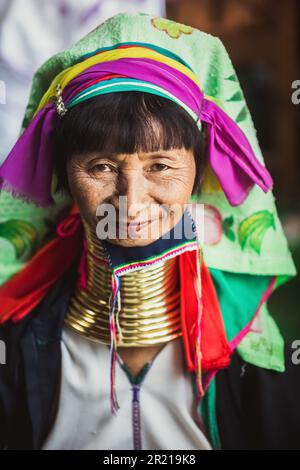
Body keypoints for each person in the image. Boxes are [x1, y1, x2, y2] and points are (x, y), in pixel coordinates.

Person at [0, 12, 298, 450]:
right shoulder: (19, 342)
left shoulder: (247, 347)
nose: (131, 201)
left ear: (200, 174)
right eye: (100, 167)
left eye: (160, 166)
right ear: (61, 176)